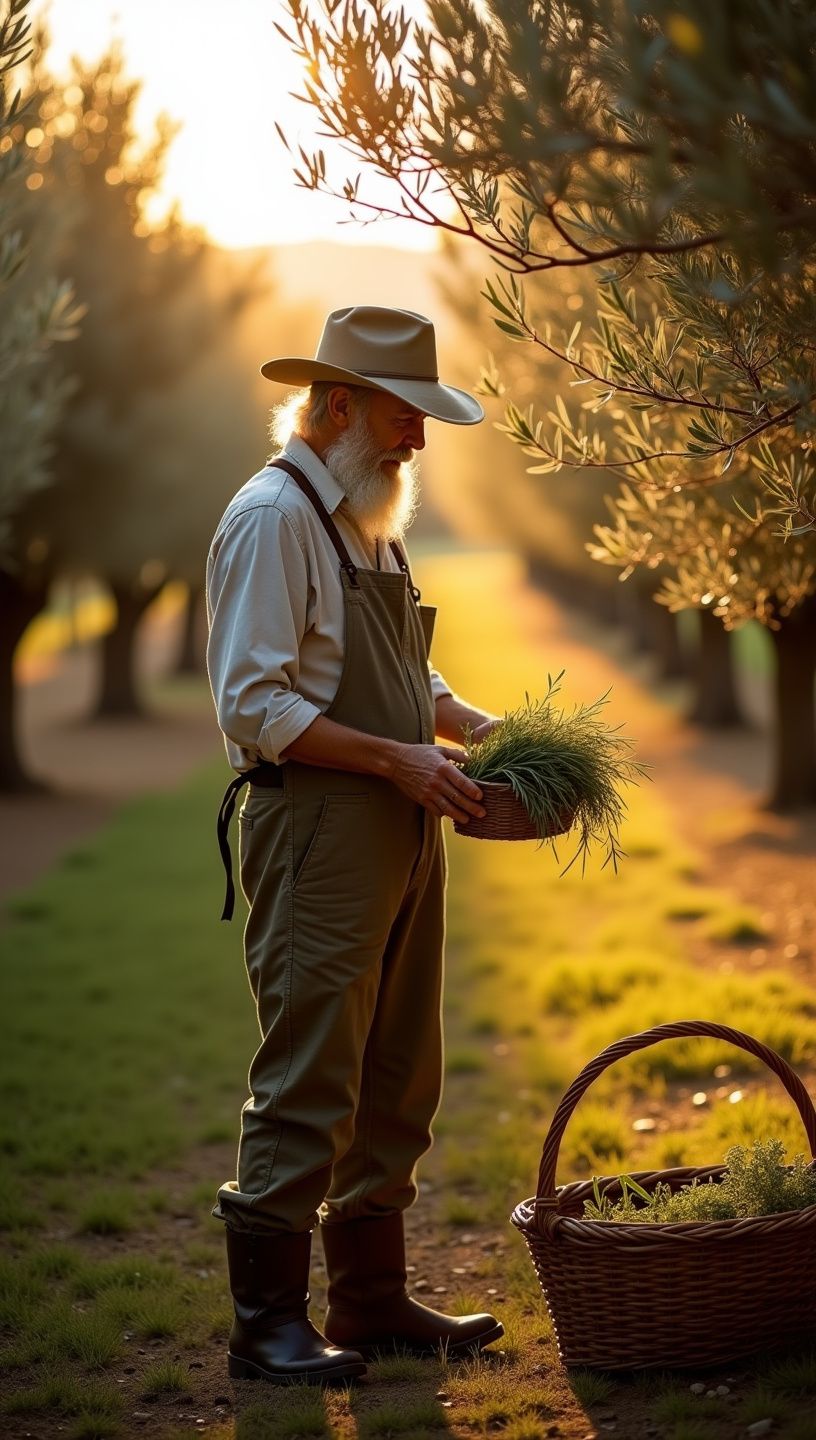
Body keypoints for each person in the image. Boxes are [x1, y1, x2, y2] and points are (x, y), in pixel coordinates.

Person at [206, 305, 505, 1385]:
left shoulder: (369, 516)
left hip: (398, 818)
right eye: (403, 416)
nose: (419, 440)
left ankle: (373, 1302)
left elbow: (394, 670)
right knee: (311, 1074)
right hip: (320, 824)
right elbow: (256, 706)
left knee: (398, 1070)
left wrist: (467, 723)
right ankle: (266, 1329)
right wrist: (394, 762)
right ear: (338, 407)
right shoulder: (272, 518)